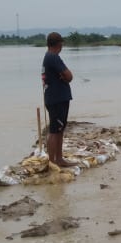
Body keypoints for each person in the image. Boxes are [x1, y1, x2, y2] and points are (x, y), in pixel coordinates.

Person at [41, 31, 75, 169]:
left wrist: (64, 77)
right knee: (55, 130)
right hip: (57, 99)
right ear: (59, 44)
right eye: (62, 43)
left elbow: (65, 76)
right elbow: (69, 76)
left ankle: (59, 159)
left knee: (59, 129)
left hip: (56, 98)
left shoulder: (49, 57)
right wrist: (65, 77)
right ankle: (52, 162)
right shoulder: (53, 57)